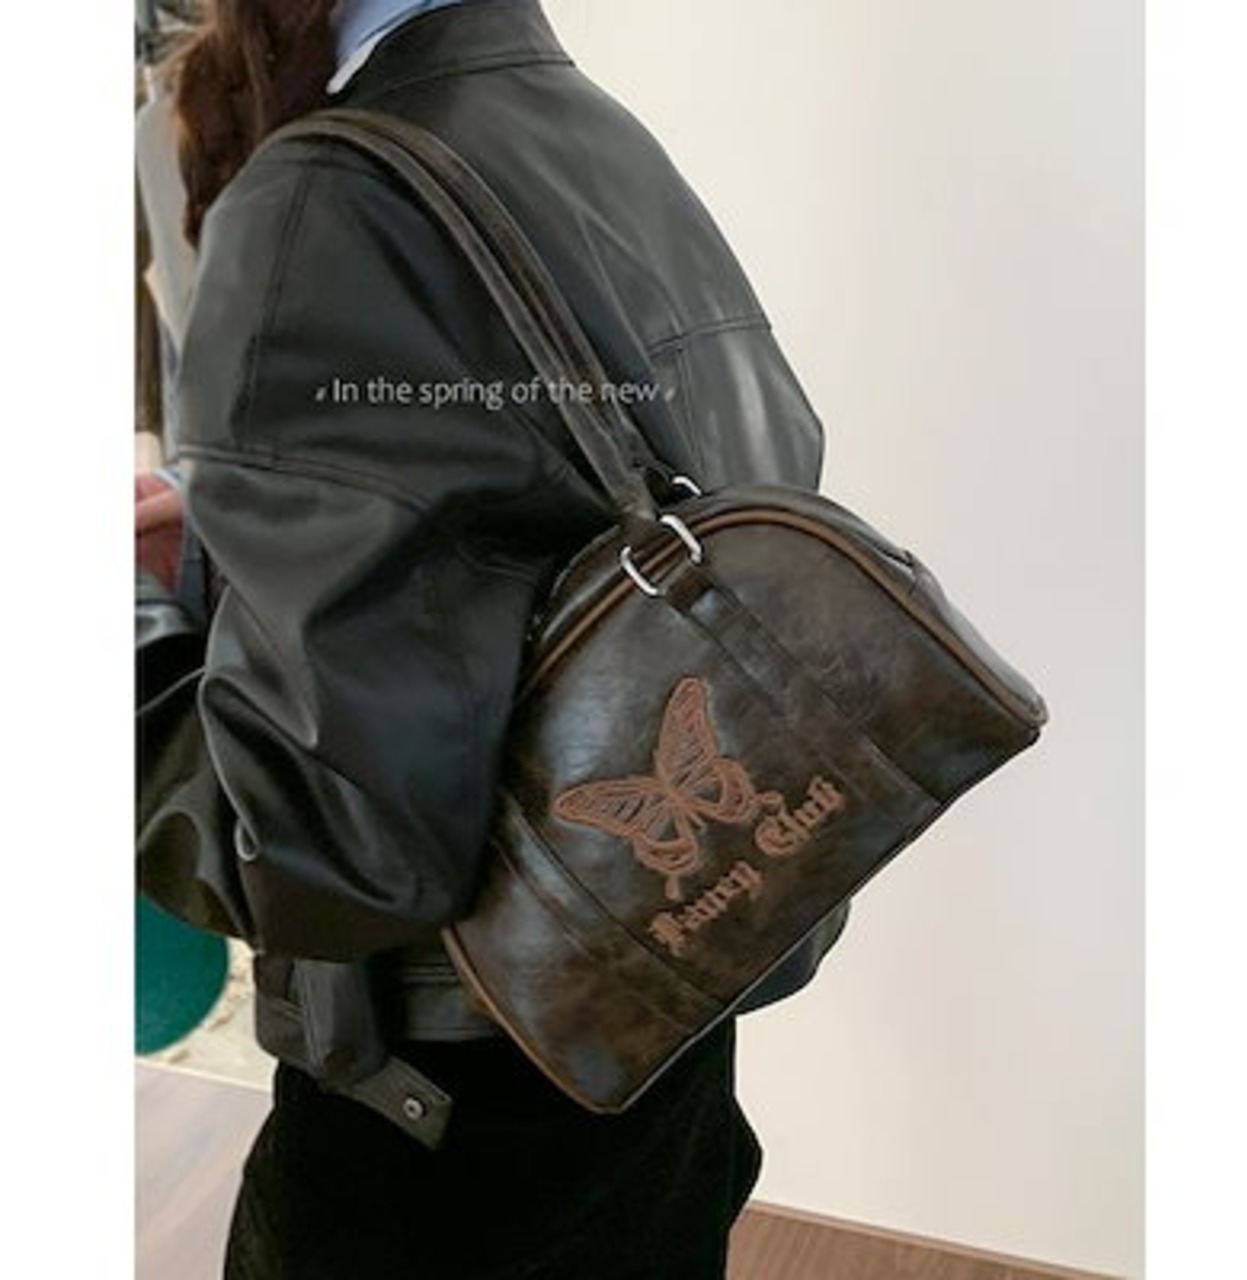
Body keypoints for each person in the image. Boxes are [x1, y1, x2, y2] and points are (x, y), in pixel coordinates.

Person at [136, 1, 850, 1275]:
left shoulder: (326, 197)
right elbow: (543, 521)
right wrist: (238, 535)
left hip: (445, 1128)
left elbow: (326, 849)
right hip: (657, 1015)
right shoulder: (576, 127)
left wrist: (129, 634)